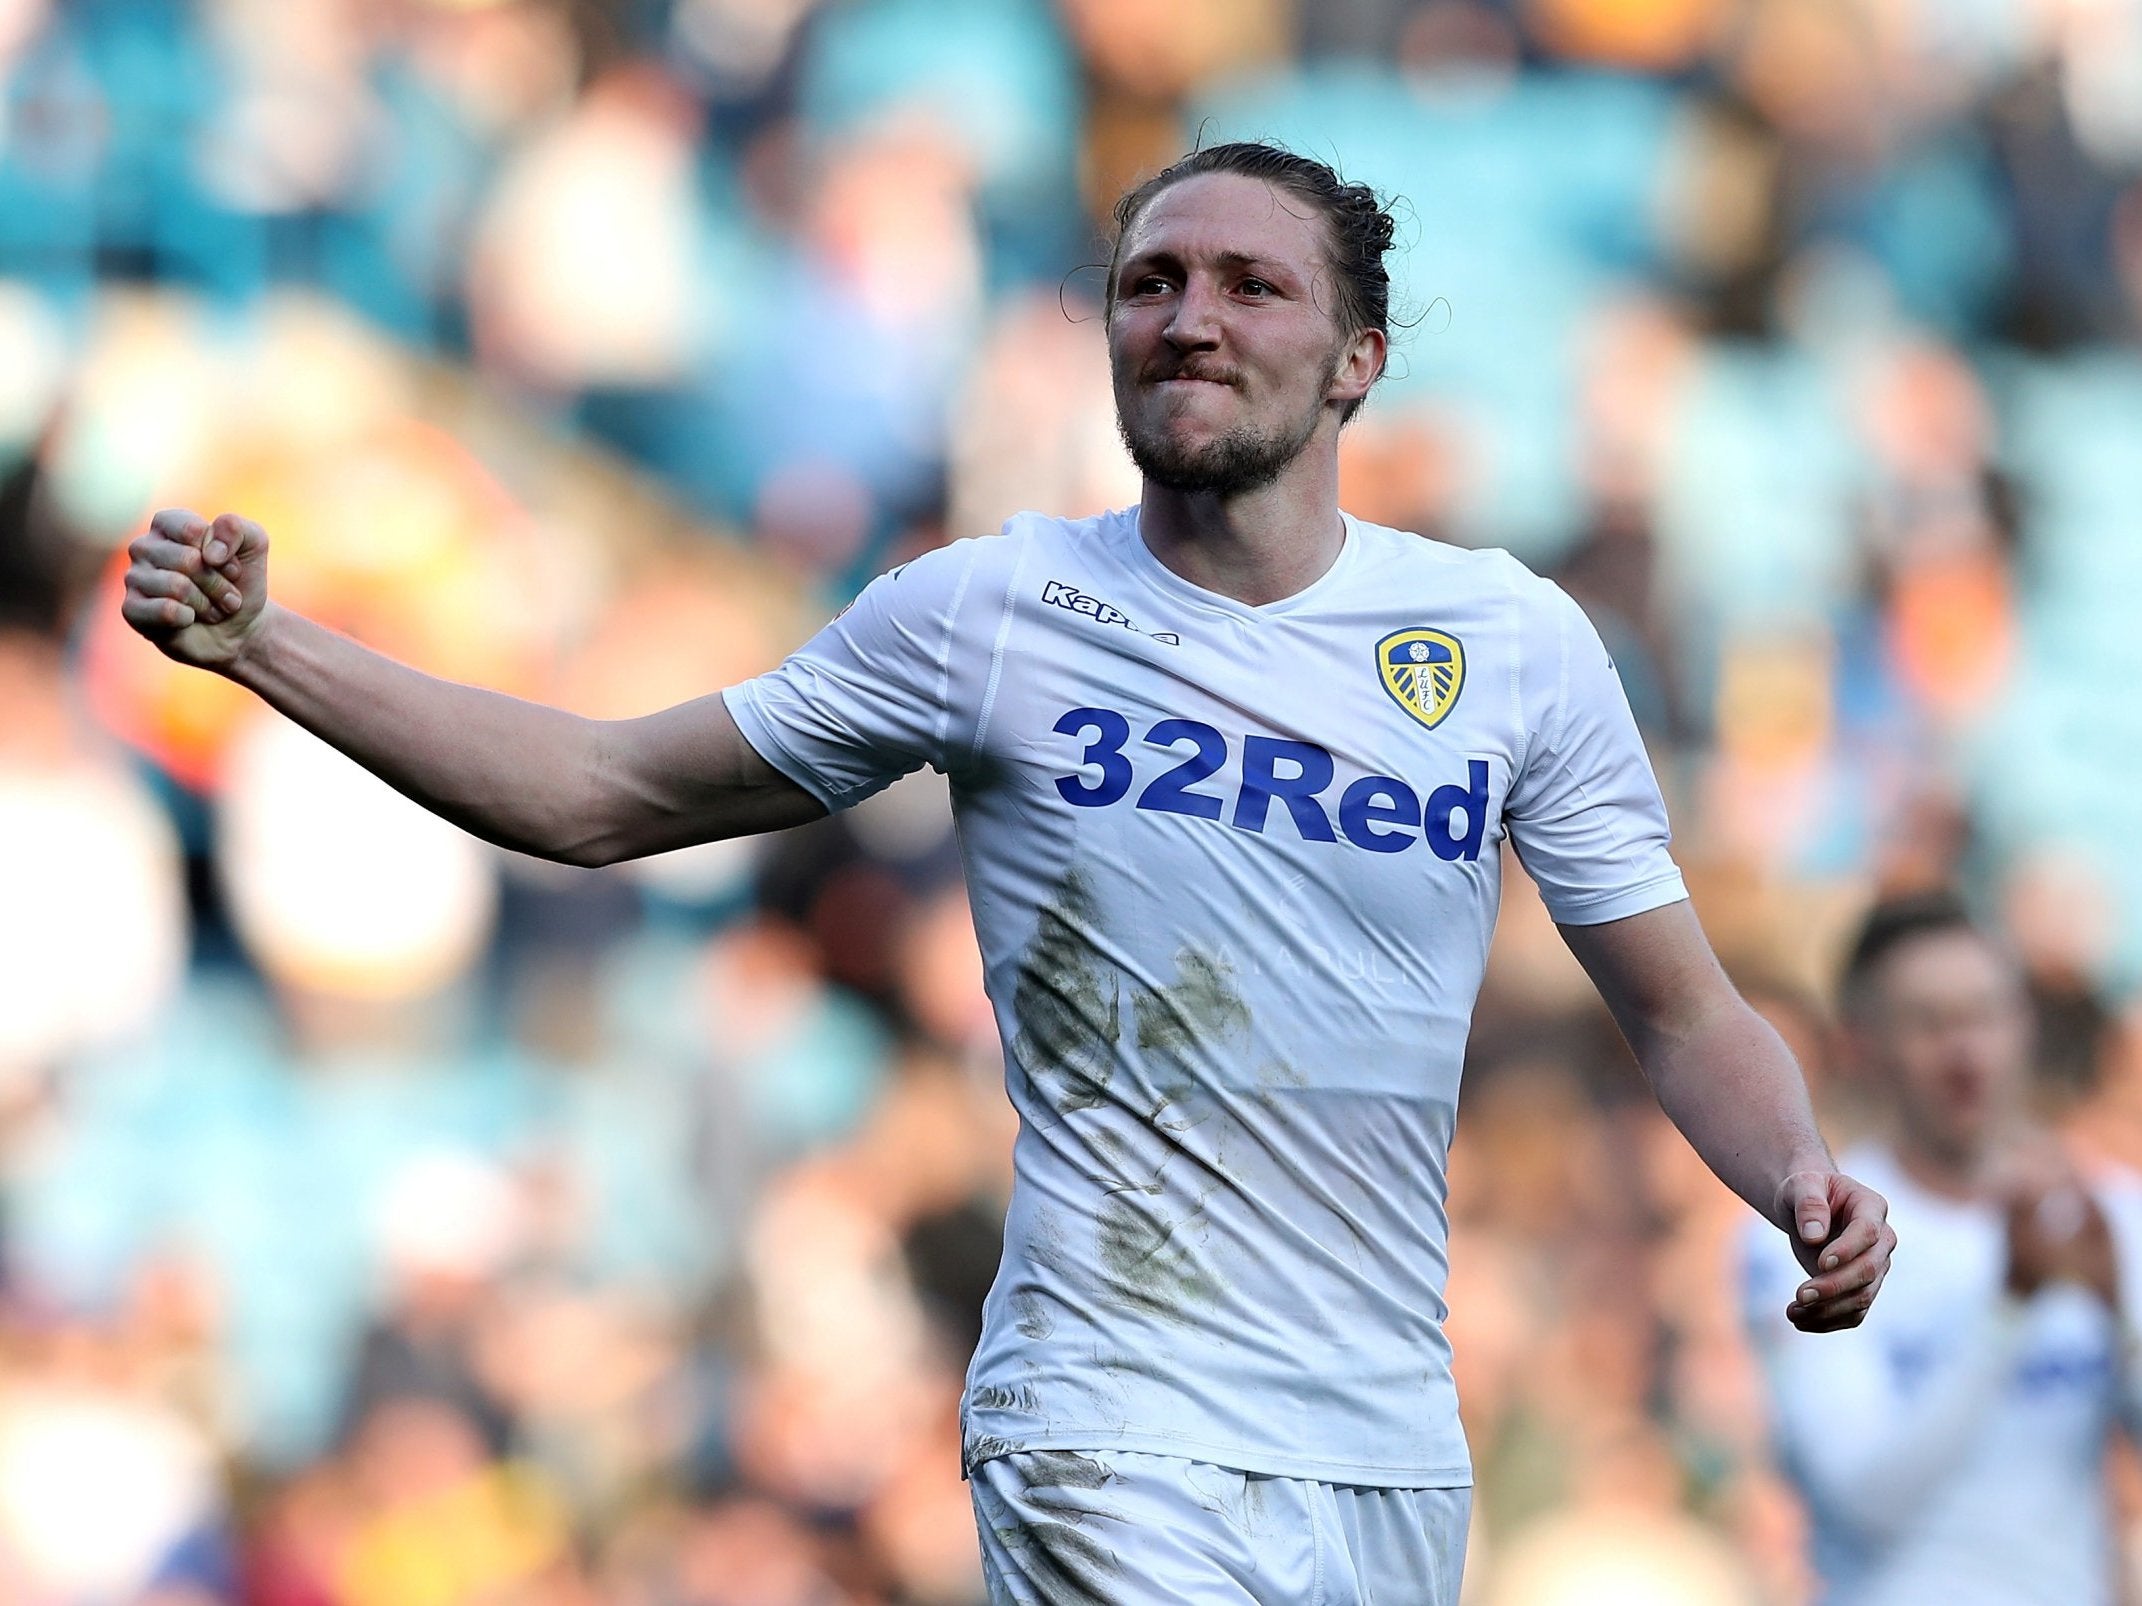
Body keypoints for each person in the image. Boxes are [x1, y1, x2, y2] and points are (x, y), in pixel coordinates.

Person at [123, 141, 1893, 1604]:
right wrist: (276, 649)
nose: (1187, 317)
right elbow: (598, 792)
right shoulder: (993, 614)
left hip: (1383, 1455)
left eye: (1249, 285)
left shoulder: (1505, 644)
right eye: (1149, 283)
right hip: (1108, 1422)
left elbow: (1680, 1009)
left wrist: (1799, 1172)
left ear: (1358, 359)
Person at [1742, 892, 2142, 1605]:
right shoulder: (1816, 1234)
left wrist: (2123, 1324)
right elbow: (1860, 1497)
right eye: (1929, 1024)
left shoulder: (2107, 1218)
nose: (1966, 1053)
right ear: (1861, 1044)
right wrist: (2010, 1307)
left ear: (2025, 1025)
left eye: (1986, 1015)